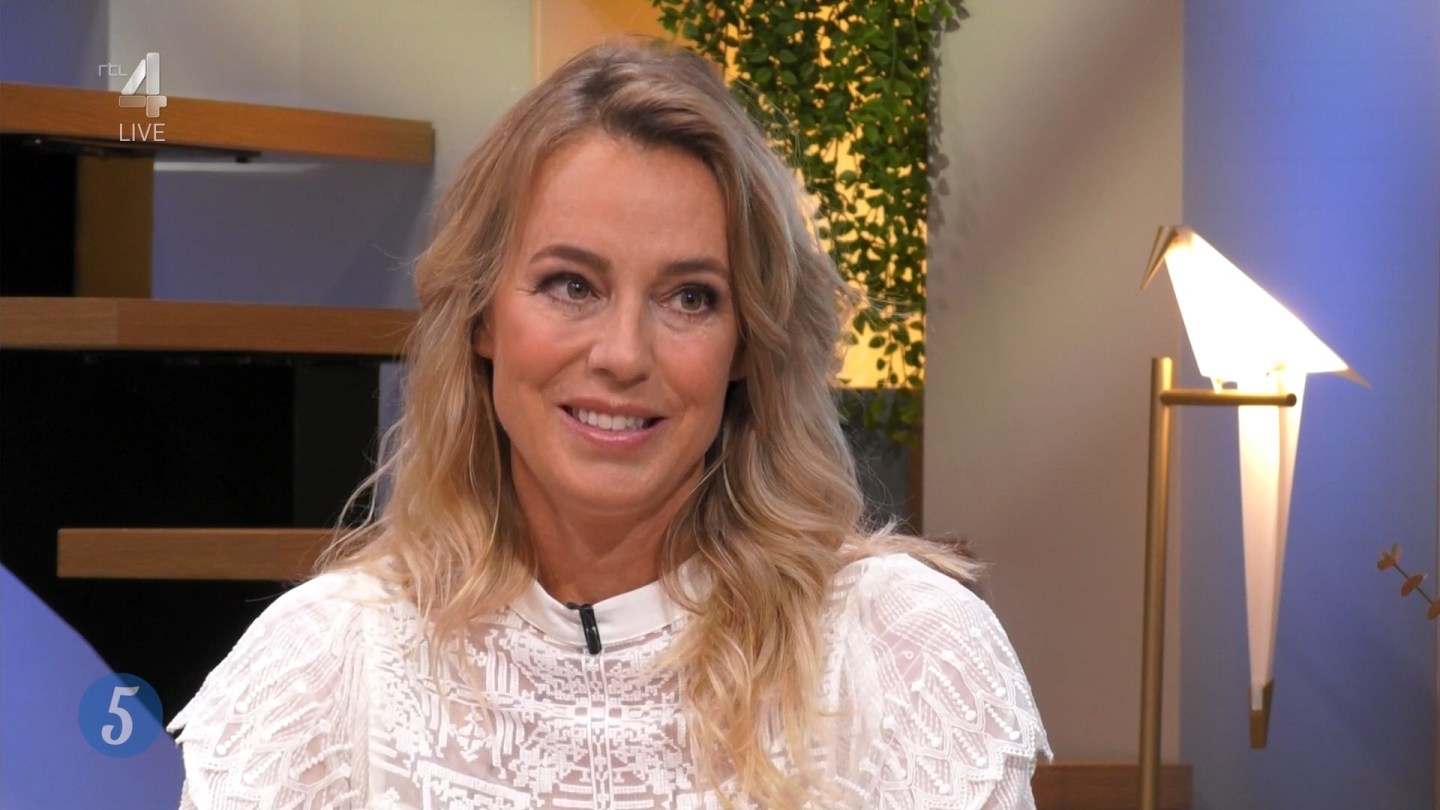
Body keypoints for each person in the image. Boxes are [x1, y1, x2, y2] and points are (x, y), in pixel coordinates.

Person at [167, 40, 1050, 809]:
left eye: (690, 297)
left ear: (747, 346)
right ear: (481, 318)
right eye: (571, 285)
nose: (624, 354)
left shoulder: (901, 653)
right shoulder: (324, 670)